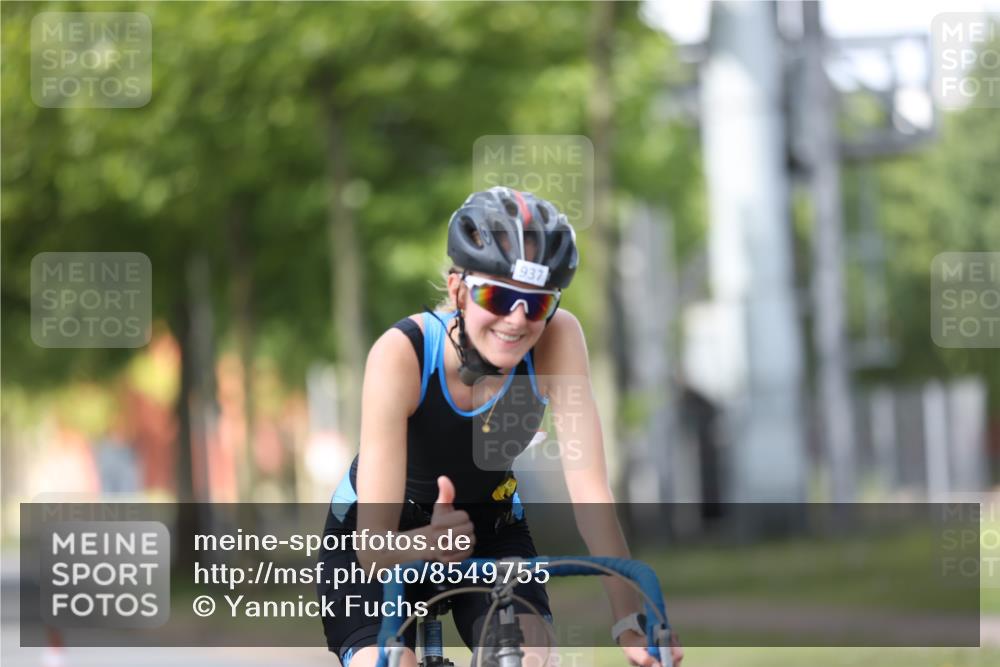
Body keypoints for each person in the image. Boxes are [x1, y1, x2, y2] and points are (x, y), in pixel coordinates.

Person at [317, 186, 683, 667]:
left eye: (537, 303)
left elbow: (591, 491)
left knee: (531, 659)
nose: (517, 320)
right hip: (374, 544)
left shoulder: (558, 339)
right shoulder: (402, 353)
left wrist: (627, 622)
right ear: (458, 290)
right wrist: (427, 541)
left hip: (488, 532)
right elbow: (372, 548)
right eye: (498, 295)